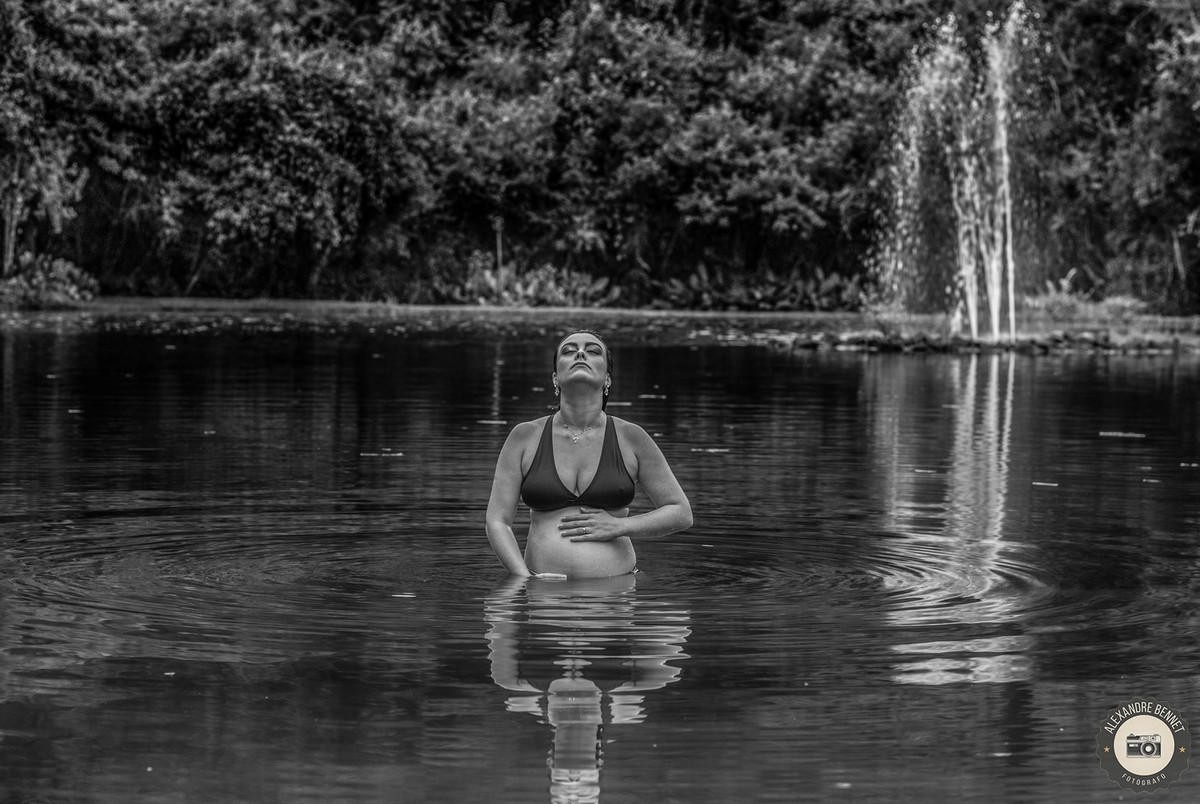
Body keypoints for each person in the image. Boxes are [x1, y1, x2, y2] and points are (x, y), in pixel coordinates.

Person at [485, 330, 693, 579]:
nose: (580, 353)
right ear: (555, 378)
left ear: (607, 379)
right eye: (569, 350)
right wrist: (523, 581)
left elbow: (681, 512)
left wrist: (620, 526)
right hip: (544, 601)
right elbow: (497, 521)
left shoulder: (632, 437)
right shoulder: (524, 436)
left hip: (616, 599)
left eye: (593, 351)